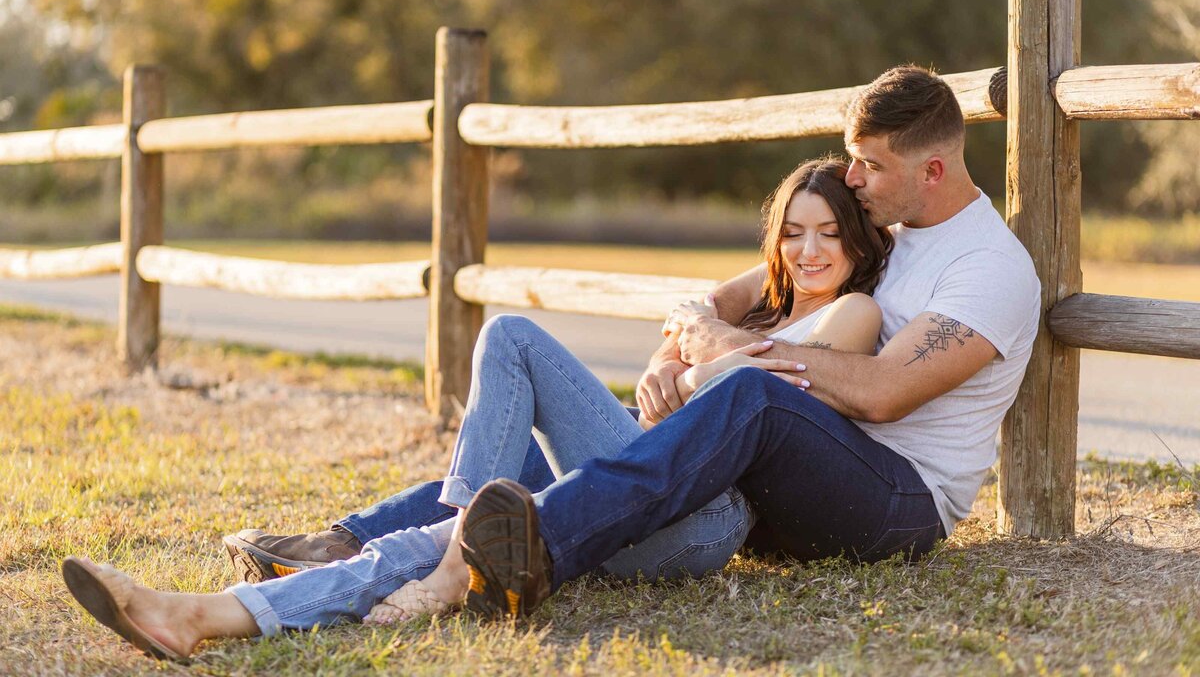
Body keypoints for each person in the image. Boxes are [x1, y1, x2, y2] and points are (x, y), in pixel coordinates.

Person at [61, 156, 891, 661]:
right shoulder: (755, 308)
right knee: (459, 505)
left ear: (856, 241)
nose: (809, 249)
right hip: (640, 479)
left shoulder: (853, 315)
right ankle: (198, 616)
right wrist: (671, 357)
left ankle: (450, 552)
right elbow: (698, 337)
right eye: (793, 231)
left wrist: (698, 354)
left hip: (704, 517)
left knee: (514, 339)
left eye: (828, 232)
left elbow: (763, 389)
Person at [450, 64, 1043, 618]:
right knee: (600, 431)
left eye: (870, 164)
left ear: (932, 171)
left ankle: (536, 551)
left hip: (897, 502)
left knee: (754, 394)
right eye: (851, 158)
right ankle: (407, 533)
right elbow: (722, 301)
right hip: (791, 476)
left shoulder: (987, 266)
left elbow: (885, 392)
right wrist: (669, 357)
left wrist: (722, 348)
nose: (852, 177)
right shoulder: (877, 225)